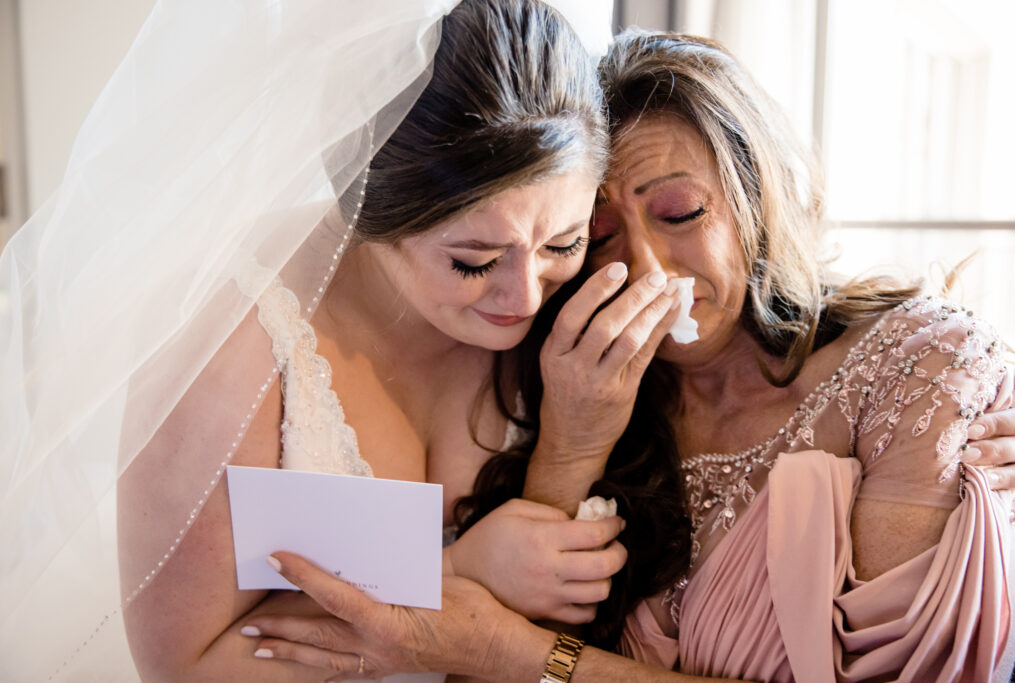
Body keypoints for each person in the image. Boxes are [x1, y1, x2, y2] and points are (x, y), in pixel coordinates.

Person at [239, 29, 1015, 682]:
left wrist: (516, 652)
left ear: (757, 191)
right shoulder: (549, 382)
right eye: (597, 239)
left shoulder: (921, 368)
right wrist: (571, 445)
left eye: (680, 211)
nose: (647, 272)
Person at [0, 1, 672, 680]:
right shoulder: (231, 333)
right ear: (374, 207)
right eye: (472, 259)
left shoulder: (581, 307)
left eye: (563, 241)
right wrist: (450, 573)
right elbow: (185, 664)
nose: (526, 295)